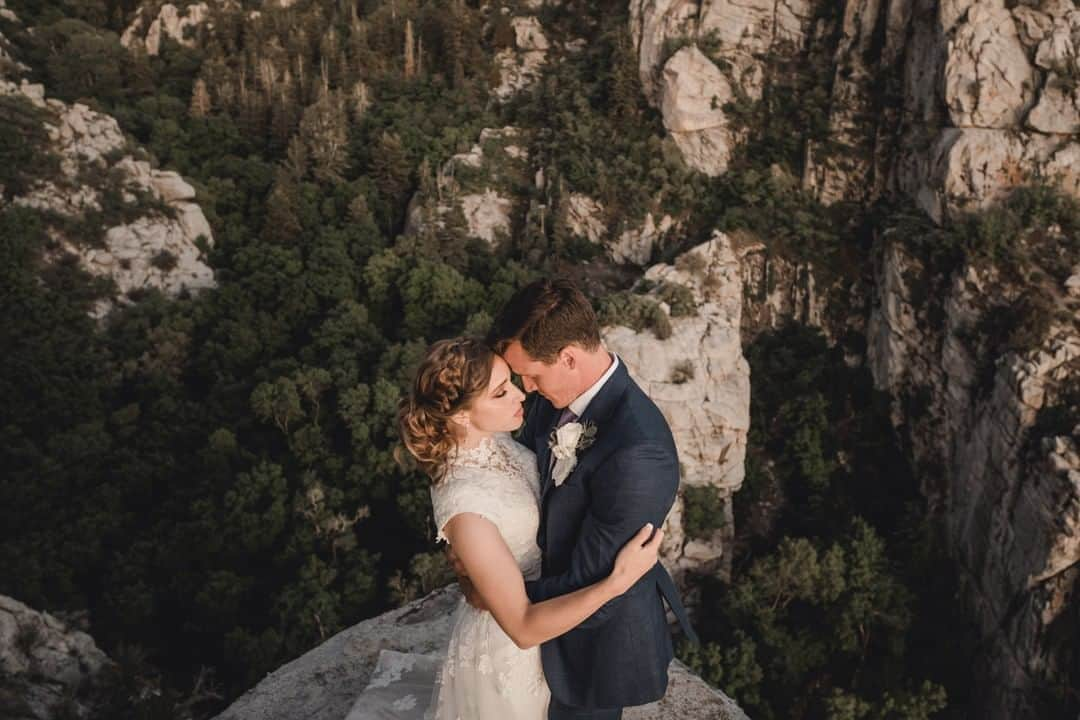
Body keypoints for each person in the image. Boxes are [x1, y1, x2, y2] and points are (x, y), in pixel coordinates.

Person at [451, 277, 699, 719]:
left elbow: (590, 583)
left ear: (568, 357)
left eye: (530, 374)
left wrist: (492, 593)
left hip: (592, 646)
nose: (524, 388)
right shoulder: (556, 395)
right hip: (535, 628)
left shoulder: (638, 452)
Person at [391, 336, 664, 720]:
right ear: (461, 416)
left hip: (552, 613)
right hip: (511, 648)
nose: (520, 395)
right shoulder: (465, 506)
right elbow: (521, 627)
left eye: (512, 382)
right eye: (501, 393)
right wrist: (615, 582)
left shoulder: (494, 439)